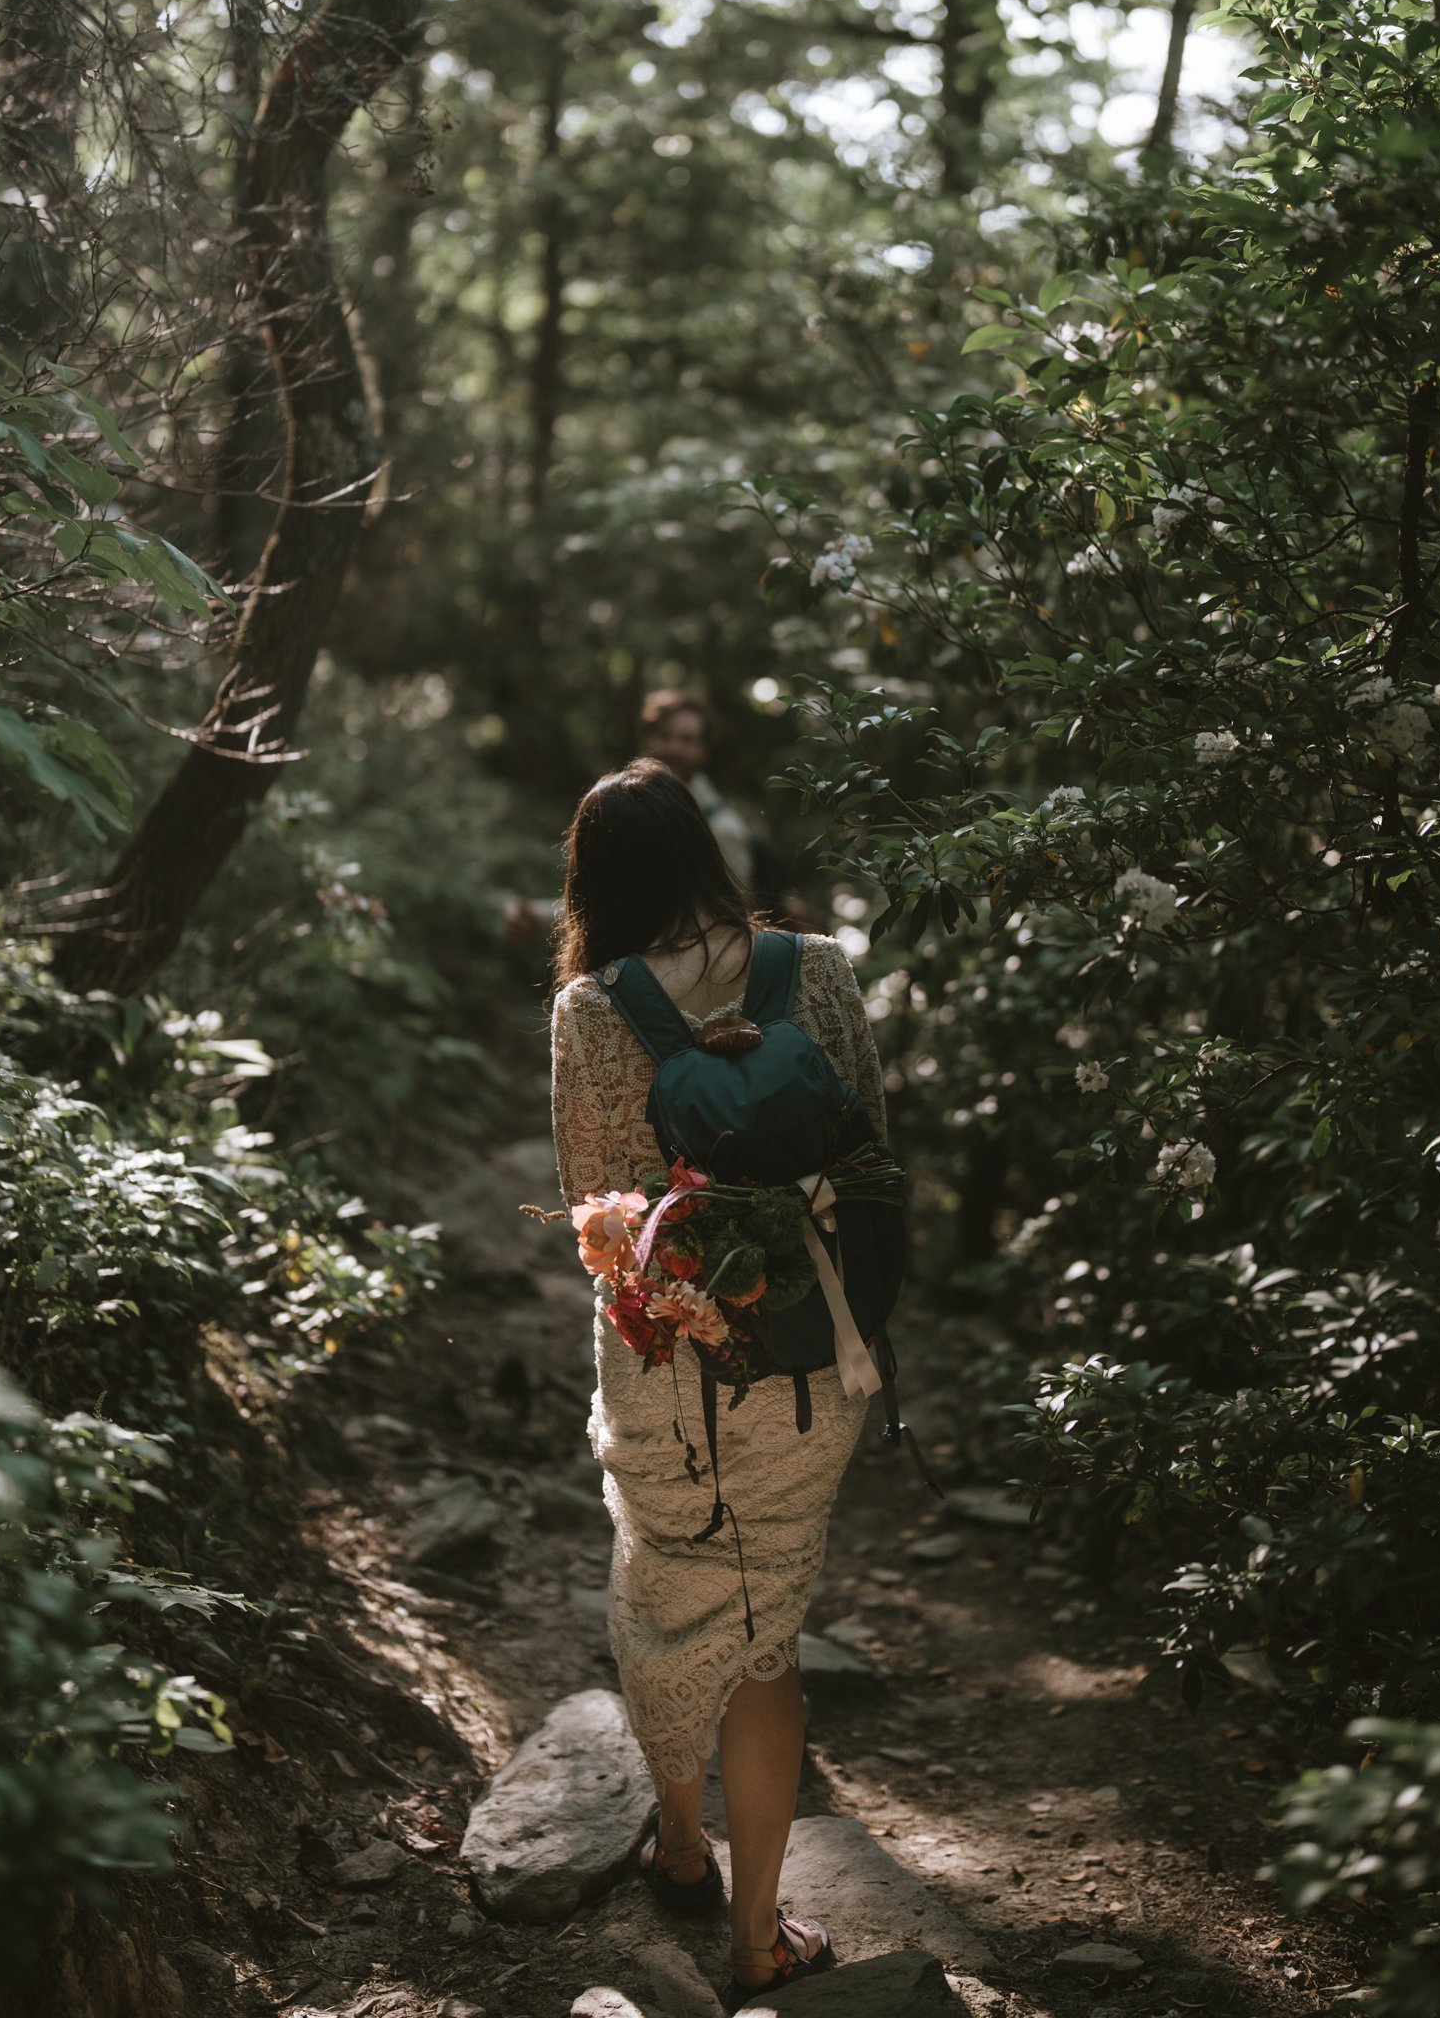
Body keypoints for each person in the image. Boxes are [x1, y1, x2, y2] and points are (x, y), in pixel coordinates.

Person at [549, 758, 889, 2008]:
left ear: (592, 882)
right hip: (810, 1360)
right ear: (704, 853)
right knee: (766, 1633)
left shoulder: (592, 1010)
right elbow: (874, 1153)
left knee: (665, 1592)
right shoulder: (821, 971)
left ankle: (683, 1849)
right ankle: (757, 1942)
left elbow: (589, 1195)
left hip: (661, 1366)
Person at [639, 688, 761, 899]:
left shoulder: (721, 830)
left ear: (704, 749)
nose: (673, 748)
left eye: (687, 740)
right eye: (664, 735)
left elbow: (734, 905)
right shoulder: (630, 799)